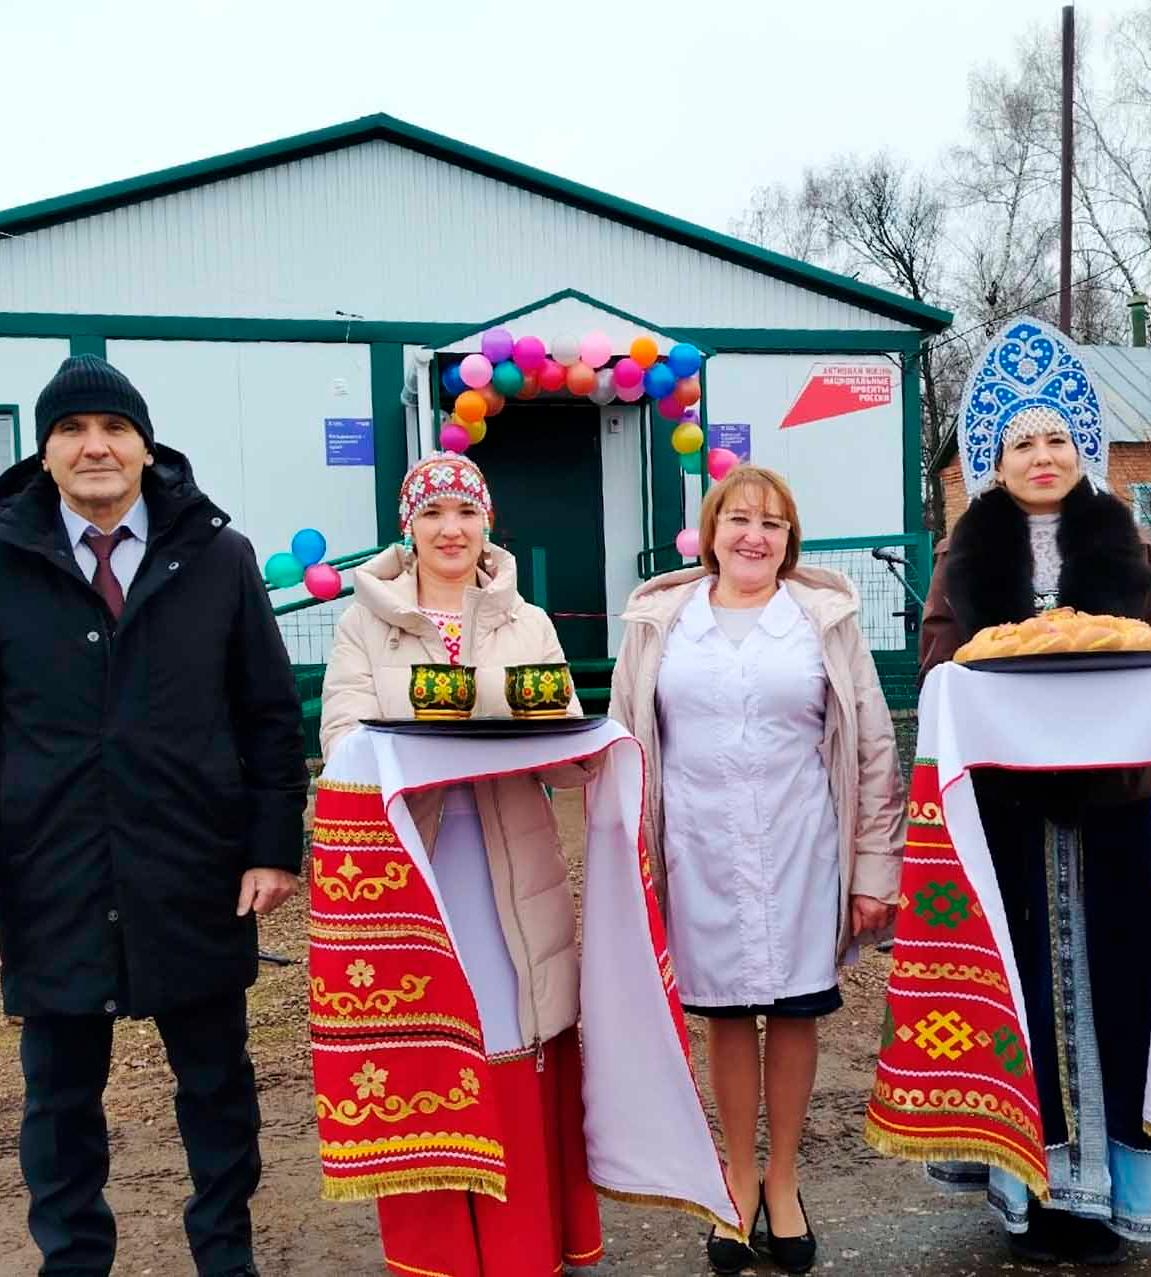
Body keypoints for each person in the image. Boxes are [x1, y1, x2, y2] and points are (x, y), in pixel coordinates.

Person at [0, 355, 308, 1277]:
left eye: (113, 428)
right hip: (48, 871)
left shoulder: (217, 556)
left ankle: (226, 1253)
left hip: (193, 867)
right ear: (45, 453)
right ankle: (73, 1261)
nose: (94, 446)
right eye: (70, 430)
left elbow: (267, 712)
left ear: (145, 446)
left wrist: (270, 846)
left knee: (217, 1085)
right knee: (59, 1099)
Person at [609, 464, 904, 1275]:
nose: (753, 535)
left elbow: (873, 746)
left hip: (801, 843)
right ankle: (736, 1178)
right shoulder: (661, 622)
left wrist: (873, 868)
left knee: (796, 1009)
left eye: (772, 524)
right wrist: (629, 862)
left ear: (789, 540)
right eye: (738, 519)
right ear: (710, 532)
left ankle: (783, 1178)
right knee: (728, 1013)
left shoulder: (820, 620)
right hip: (697, 849)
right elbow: (623, 740)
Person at [320, 450, 603, 1277]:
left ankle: (520, 1247)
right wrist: (429, 737)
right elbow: (342, 742)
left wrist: (570, 738)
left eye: (465, 512)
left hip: (510, 864)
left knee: (510, 1024)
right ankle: (439, 1250)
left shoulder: (528, 620)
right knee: (431, 1035)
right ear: (407, 527)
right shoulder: (364, 622)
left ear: (487, 524)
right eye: (433, 513)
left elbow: (563, 749)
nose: (451, 529)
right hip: (412, 870)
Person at [917, 317, 1151, 1265]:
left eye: (1056, 437)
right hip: (1009, 813)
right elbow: (939, 669)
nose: (1042, 456)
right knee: (1022, 993)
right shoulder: (964, 554)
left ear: (1082, 447)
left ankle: (1109, 1197)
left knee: (1119, 989)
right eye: (1022, 442)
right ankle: (1035, 1194)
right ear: (994, 458)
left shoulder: (1126, 545)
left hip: (1117, 811)